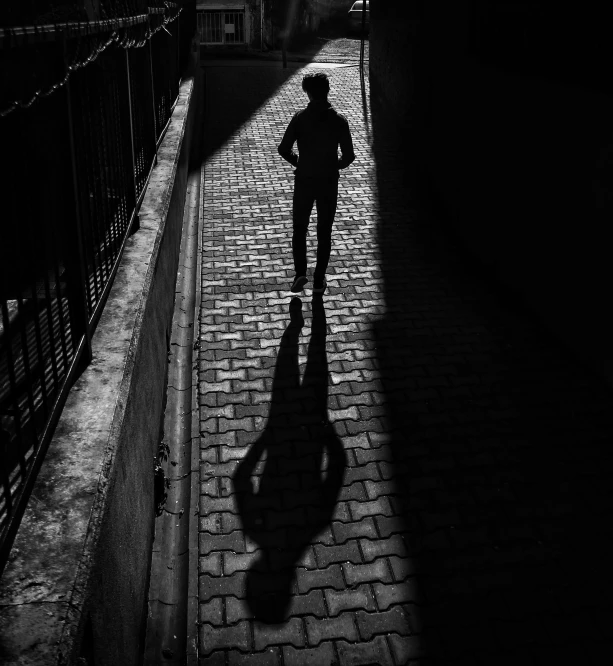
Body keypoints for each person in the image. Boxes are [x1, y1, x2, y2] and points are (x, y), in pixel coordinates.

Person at [278, 72, 355, 294]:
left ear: (308, 92)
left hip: (304, 180)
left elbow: (283, 148)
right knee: (324, 231)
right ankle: (319, 280)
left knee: (300, 228)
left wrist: (299, 161)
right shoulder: (339, 121)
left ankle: (300, 273)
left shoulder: (300, 118)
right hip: (328, 182)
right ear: (327, 90)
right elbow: (349, 156)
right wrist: (334, 165)